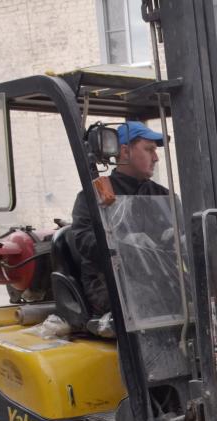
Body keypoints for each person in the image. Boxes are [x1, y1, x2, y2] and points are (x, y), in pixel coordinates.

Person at [69, 121, 170, 317]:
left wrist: (178, 235)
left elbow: (180, 235)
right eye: (149, 149)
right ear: (125, 152)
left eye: (155, 151)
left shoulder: (163, 195)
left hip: (156, 275)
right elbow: (83, 239)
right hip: (108, 279)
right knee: (149, 300)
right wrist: (122, 242)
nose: (156, 157)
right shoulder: (95, 194)